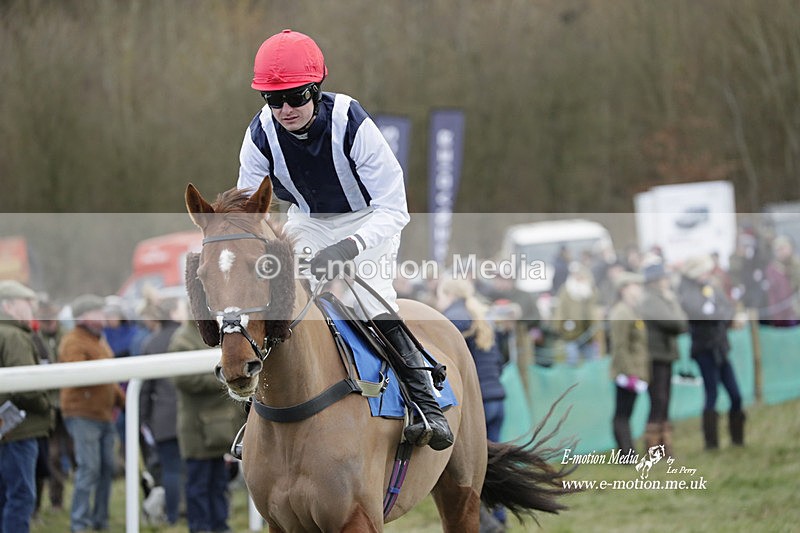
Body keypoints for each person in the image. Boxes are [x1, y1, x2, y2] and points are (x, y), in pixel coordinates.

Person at [236, 29, 451, 450]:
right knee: (276, 297)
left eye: (296, 96)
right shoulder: (259, 134)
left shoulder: (351, 121)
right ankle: (254, 414)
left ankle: (426, 402)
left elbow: (395, 208)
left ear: (316, 89)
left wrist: (347, 249)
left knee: (368, 302)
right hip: (308, 219)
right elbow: (249, 210)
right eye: (273, 99)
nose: (284, 109)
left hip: (369, 219)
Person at [436, 278, 507, 530]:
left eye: (439, 294)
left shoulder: (451, 320)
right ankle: (498, 517)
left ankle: (486, 522)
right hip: (497, 396)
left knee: (470, 471)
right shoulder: (482, 316)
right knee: (490, 464)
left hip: (476, 403)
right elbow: (500, 359)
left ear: (447, 293)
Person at [170, 319, 246, 533]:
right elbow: (185, 380)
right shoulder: (182, 340)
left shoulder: (215, 334)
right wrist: (225, 378)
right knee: (199, 486)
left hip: (218, 428)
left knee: (218, 484)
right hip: (197, 430)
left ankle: (220, 526)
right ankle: (201, 528)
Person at [60, 294, 125, 533]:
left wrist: (122, 401)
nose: (102, 316)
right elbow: (79, 375)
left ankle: (100, 520)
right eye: (97, 312)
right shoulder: (73, 342)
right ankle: (79, 523)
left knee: (107, 467)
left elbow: (108, 379)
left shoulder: (99, 340)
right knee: (89, 468)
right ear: (83, 317)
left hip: (103, 414)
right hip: (82, 414)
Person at [0, 281, 52, 533]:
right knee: (21, 497)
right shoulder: (14, 336)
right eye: (26, 303)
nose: (32, 308)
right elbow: (26, 385)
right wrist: (46, 405)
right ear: (8, 306)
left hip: (6, 428)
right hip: (19, 429)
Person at [678, 255, 745, 450]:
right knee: (712, 395)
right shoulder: (687, 292)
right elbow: (701, 314)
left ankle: (737, 439)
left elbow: (727, 309)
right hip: (704, 350)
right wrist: (718, 314)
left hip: (721, 348)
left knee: (736, 395)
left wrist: (719, 314)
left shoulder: (712, 288)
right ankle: (711, 443)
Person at [139, 297, 183, 526]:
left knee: (171, 470)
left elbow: (145, 389)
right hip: (190, 415)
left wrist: (143, 420)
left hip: (163, 418)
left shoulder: (151, 343)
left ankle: (173, 517)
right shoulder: (188, 337)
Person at [639, 262, 688, 457]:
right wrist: (673, 302)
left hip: (664, 355)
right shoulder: (652, 301)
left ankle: (664, 446)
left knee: (664, 400)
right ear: (655, 281)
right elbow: (676, 323)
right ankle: (654, 449)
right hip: (655, 357)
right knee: (658, 400)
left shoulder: (660, 298)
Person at [607, 272, 649, 453]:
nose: (638, 289)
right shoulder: (621, 312)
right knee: (622, 414)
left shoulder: (632, 310)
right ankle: (626, 453)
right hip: (626, 372)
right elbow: (620, 346)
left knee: (626, 413)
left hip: (635, 370)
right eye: (634, 285)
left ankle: (627, 450)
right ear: (624, 289)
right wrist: (629, 372)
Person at [552, 262, 601, 366]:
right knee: (572, 359)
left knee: (592, 361)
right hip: (571, 334)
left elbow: (594, 310)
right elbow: (560, 311)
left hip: (588, 334)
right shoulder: (566, 291)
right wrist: (560, 327)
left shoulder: (591, 291)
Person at [763, 235, 800, 327]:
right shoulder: (772, 270)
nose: (782, 252)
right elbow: (773, 296)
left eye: (783, 248)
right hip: (783, 314)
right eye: (778, 250)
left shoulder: (797, 265)